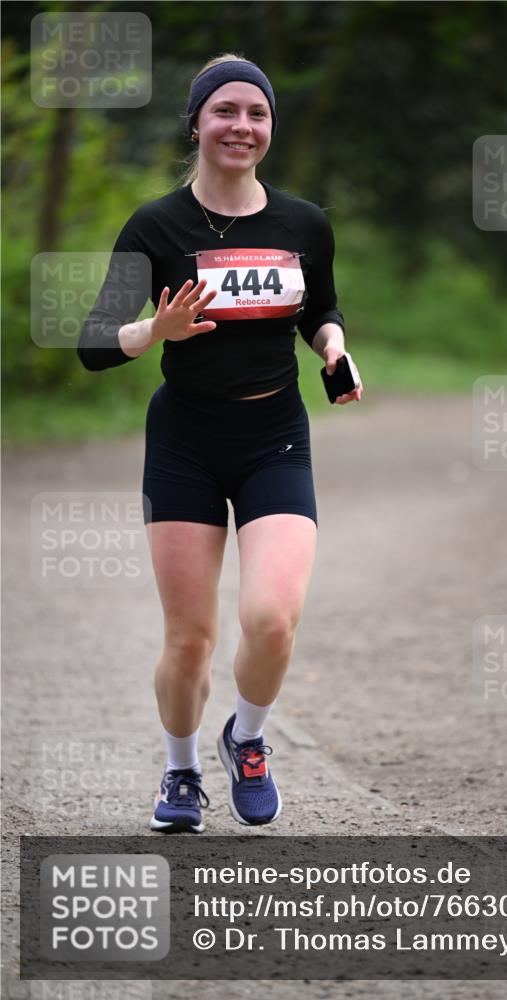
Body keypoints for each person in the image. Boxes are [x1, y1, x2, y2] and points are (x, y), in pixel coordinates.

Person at [77, 52, 363, 832]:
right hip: (185, 441)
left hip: (274, 434)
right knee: (191, 637)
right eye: (225, 111)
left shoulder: (304, 223)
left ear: (270, 127)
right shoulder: (155, 225)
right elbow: (95, 344)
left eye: (256, 113)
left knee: (272, 616)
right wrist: (154, 330)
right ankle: (180, 771)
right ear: (198, 123)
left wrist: (333, 346)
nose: (241, 126)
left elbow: (319, 308)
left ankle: (248, 738)